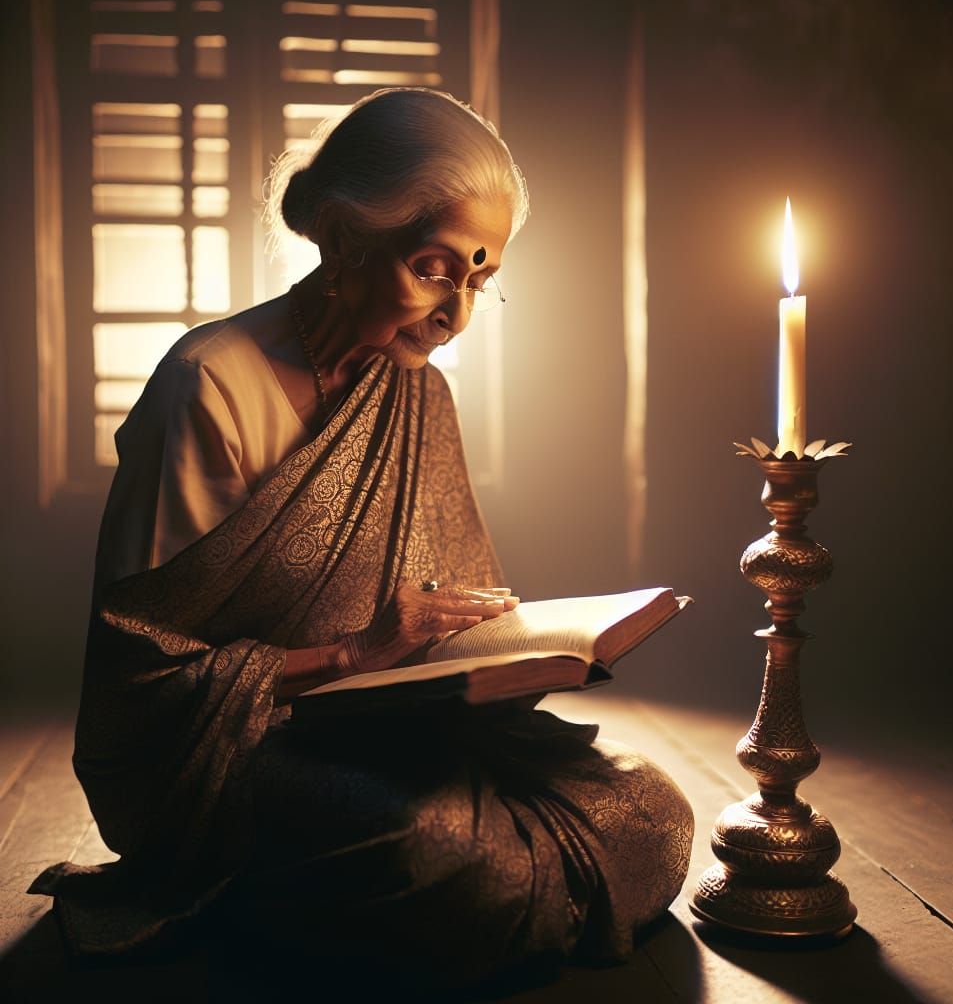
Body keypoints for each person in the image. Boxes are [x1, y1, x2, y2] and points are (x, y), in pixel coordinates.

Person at [30, 88, 693, 989]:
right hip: (233, 755)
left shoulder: (418, 391)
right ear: (344, 239)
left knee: (646, 805)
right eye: (434, 268)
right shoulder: (208, 385)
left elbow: (445, 609)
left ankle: (406, 907)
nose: (455, 315)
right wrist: (352, 651)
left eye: (480, 282)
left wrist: (511, 648)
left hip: (396, 730)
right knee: (423, 844)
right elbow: (147, 680)